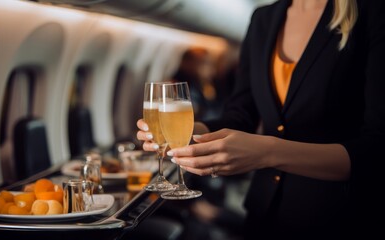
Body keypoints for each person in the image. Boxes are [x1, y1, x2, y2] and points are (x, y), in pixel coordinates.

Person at [137, 0, 385, 239]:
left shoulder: (372, 11)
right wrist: (192, 132)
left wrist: (268, 152)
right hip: (264, 215)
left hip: (339, 219)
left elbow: (376, 148)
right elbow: (241, 115)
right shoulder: (263, 19)